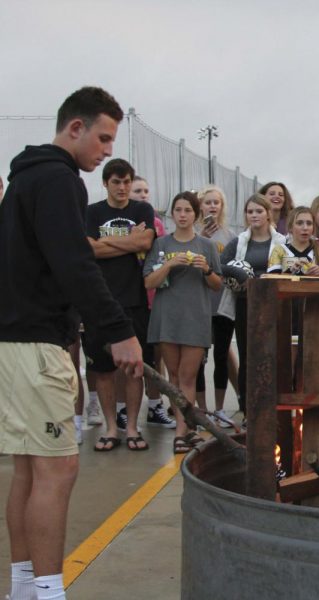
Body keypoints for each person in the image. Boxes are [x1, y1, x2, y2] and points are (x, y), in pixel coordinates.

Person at [1, 86, 143, 600]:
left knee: (29, 467)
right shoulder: (60, 181)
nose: (107, 150)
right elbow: (75, 264)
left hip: (13, 340)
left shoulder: (23, 180)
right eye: (102, 138)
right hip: (36, 342)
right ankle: (47, 590)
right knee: (58, 467)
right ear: (75, 128)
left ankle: (23, 586)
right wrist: (120, 331)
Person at [83, 158, 156, 452]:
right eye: (116, 182)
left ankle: (132, 427)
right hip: (100, 300)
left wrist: (107, 242)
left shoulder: (143, 209)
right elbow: (89, 249)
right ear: (105, 183)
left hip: (133, 300)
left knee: (135, 368)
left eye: (127, 181)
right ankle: (111, 426)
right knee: (102, 369)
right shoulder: (92, 211)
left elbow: (146, 243)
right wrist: (130, 238)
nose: (123, 187)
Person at [144, 191, 222, 453]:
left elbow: (217, 285)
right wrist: (168, 265)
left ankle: (184, 429)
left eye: (188, 210)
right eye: (178, 210)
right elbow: (149, 282)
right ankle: (184, 428)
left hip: (195, 317)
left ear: (196, 215)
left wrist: (206, 269)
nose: (183, 215)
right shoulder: (161, 244)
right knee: (174, 375)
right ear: (172, 214)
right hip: (167, 316)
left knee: (188, 376)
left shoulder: (207, 246)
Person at [220, 194, 286, 417]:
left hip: (274, 307)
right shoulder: (238, 242)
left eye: (259, 211)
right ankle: (248, 409)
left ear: (268, 213)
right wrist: (239, 274)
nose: (254, 215)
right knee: (248, 357)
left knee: (273, 355)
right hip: (245, 306)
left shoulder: (282, 242)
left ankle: (274, 407)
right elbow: (219, 266)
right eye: (250, 212)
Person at [130, 175, 176, 429]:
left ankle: (155, 405)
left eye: (146, 190)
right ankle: (124, 409)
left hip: (152, 299)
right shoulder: (121, 222)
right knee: (128, 359)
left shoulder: (156, 224)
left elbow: (158, 256)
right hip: (127, 298)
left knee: (154, 357)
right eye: (138, 190)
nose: (143, 194)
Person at [197, 185, 239, 428]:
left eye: (216, 202)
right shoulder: (192, 232)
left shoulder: (230, 237)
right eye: (208, 202)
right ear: (200, 206)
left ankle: (221, 409)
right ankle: (202, 410)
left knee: (221, 357)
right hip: (200, 305)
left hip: (222, 305)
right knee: (199, 359)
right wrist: (200, 235)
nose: (212, 206)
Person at [268, 206, 319, 277]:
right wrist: (290, 274)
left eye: (309, 223)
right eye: (299, 223)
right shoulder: (279, 250)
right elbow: (271, 281)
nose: (305, 228)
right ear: (290, 227)